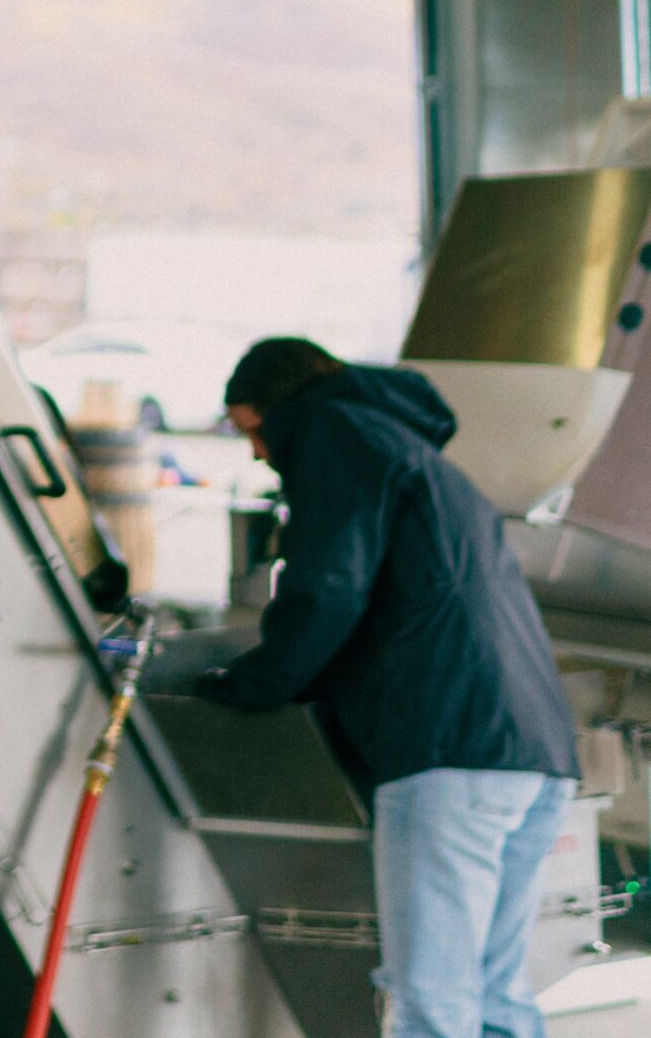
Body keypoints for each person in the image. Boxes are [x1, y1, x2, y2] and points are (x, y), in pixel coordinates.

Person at [196, 337, 579, 1038]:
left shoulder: (333, 432)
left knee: (432, 1002)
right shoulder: (406, 446)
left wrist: (252, 684)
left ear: (280, 408)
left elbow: (329, 586)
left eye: (254, 431)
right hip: (535, 751)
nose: (258, 454)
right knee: (496, 1000)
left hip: (448, 748)